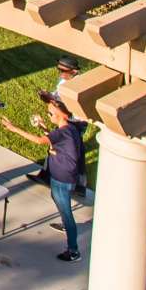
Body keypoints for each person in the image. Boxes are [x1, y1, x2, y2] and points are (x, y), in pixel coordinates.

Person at [41, 96, 85, 262]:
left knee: (67, 213)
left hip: (62, 179)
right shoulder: (70, 130)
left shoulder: (64, 132)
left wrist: (14, 129)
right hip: (62, 177)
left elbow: (39, 141)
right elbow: (65, 149)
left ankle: (73, 251)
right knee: (57, 199)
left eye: (51, 113)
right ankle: (66, 226)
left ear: (61, 115)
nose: (49, 115)